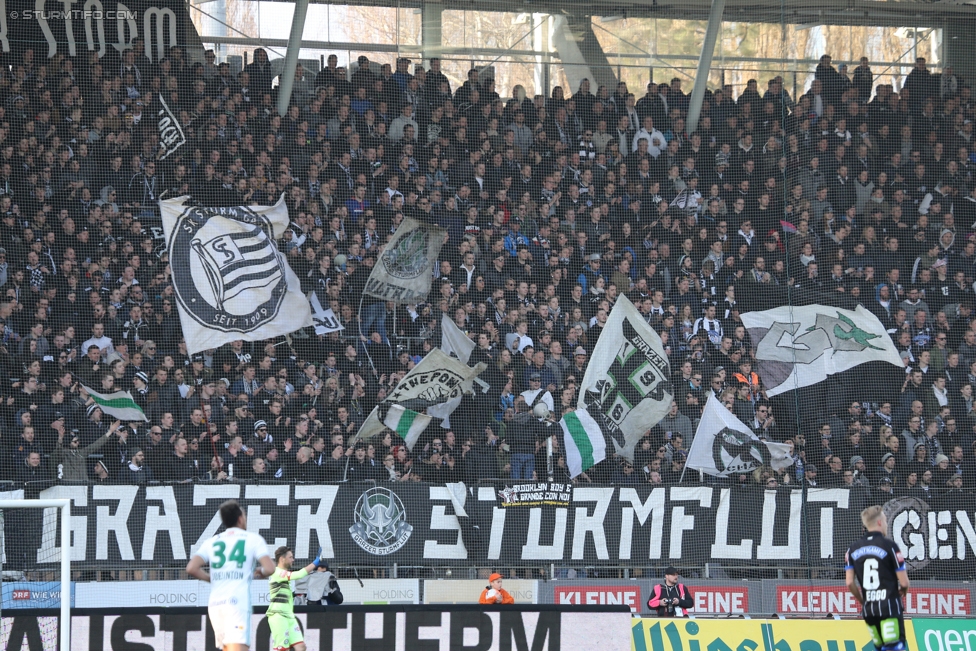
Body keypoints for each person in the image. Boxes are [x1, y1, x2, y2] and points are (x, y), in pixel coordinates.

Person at [185, 500, 276, 651]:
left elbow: (191, 568)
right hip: (236, 602)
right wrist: (261, 573)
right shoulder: (252, 539)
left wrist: (211, 579)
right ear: (240, 518)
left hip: (215, 604)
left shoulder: (212, 541)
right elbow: (270, 568)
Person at [845, 505, 910, 651]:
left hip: (869, 610)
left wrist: (863, 600)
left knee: (880, 648)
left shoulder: (852, 549)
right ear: (880, 522)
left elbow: (849, 582)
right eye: (885, 521)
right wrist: (904, 589)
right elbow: (904, 582)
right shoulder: (890, 546)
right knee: (894, 647)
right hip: (889, 607)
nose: (886, 524)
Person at [267, 545, 325, 651]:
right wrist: (315, 563)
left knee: (301, 647)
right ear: (282, 559)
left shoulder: (283, 575)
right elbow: (298, 574)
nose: (293, 560)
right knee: (282, 649)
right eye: (290, 557)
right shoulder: (277, 572)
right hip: (278, 616)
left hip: (289, 616)